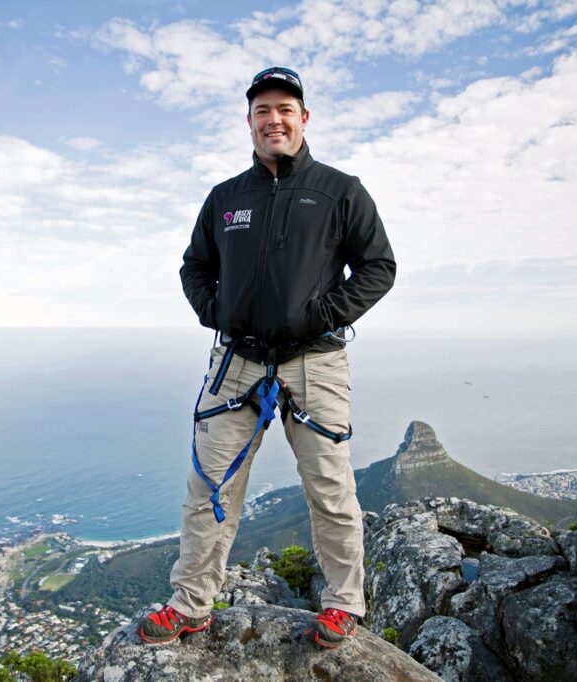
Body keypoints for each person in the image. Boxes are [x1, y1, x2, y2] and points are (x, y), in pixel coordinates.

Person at [139, 66, 396, 649]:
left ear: (303, 118)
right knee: (208, 486)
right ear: (249, 122)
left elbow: (379, 267)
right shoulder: (226, 197)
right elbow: (194, 266)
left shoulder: (340, 190)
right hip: (238, 361)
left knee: (329, 487)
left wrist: (323, 314)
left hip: (315, 361)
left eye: (285, 109)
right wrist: (217, 311)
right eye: (262, 111)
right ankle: (191, 604)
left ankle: (342, 605)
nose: (273, 119)